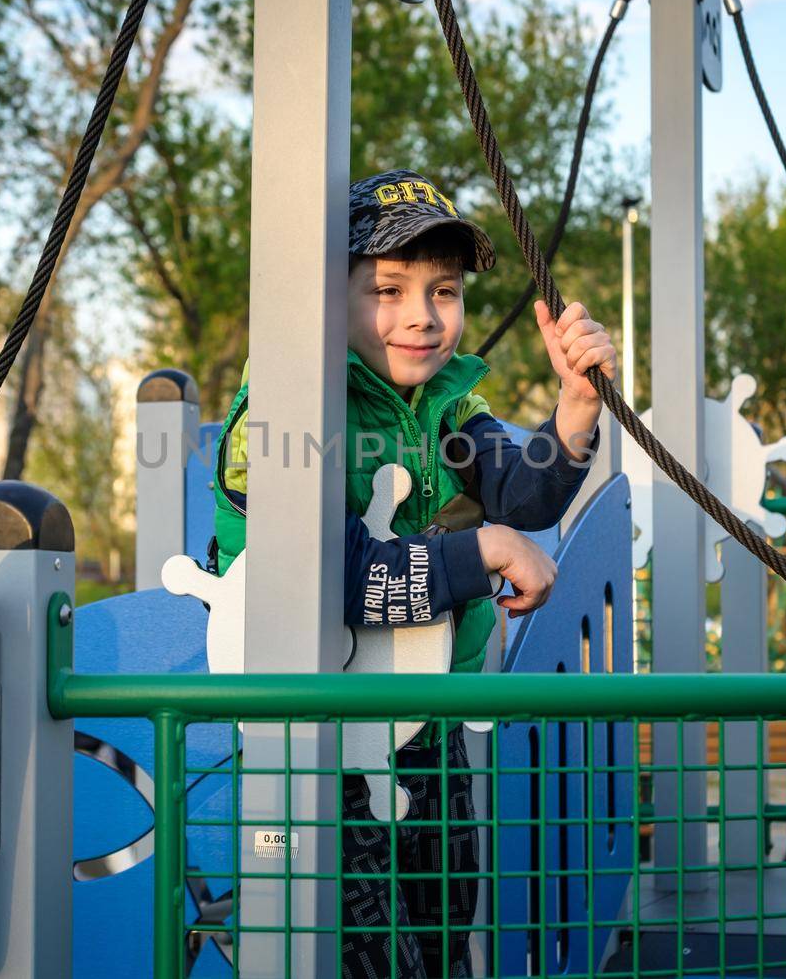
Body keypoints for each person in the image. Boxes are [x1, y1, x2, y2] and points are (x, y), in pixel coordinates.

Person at [209, 168, 617, 977]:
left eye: (444, 291)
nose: (422, 318)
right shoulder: (284, 409)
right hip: (316, 729)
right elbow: (332, 580)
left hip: (425, 715)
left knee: (442, 931)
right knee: (361, 947)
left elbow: (522, 486)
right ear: (329, 295)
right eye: (387, 290)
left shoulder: (444, 407)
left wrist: (574, 409)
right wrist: (487, 550)